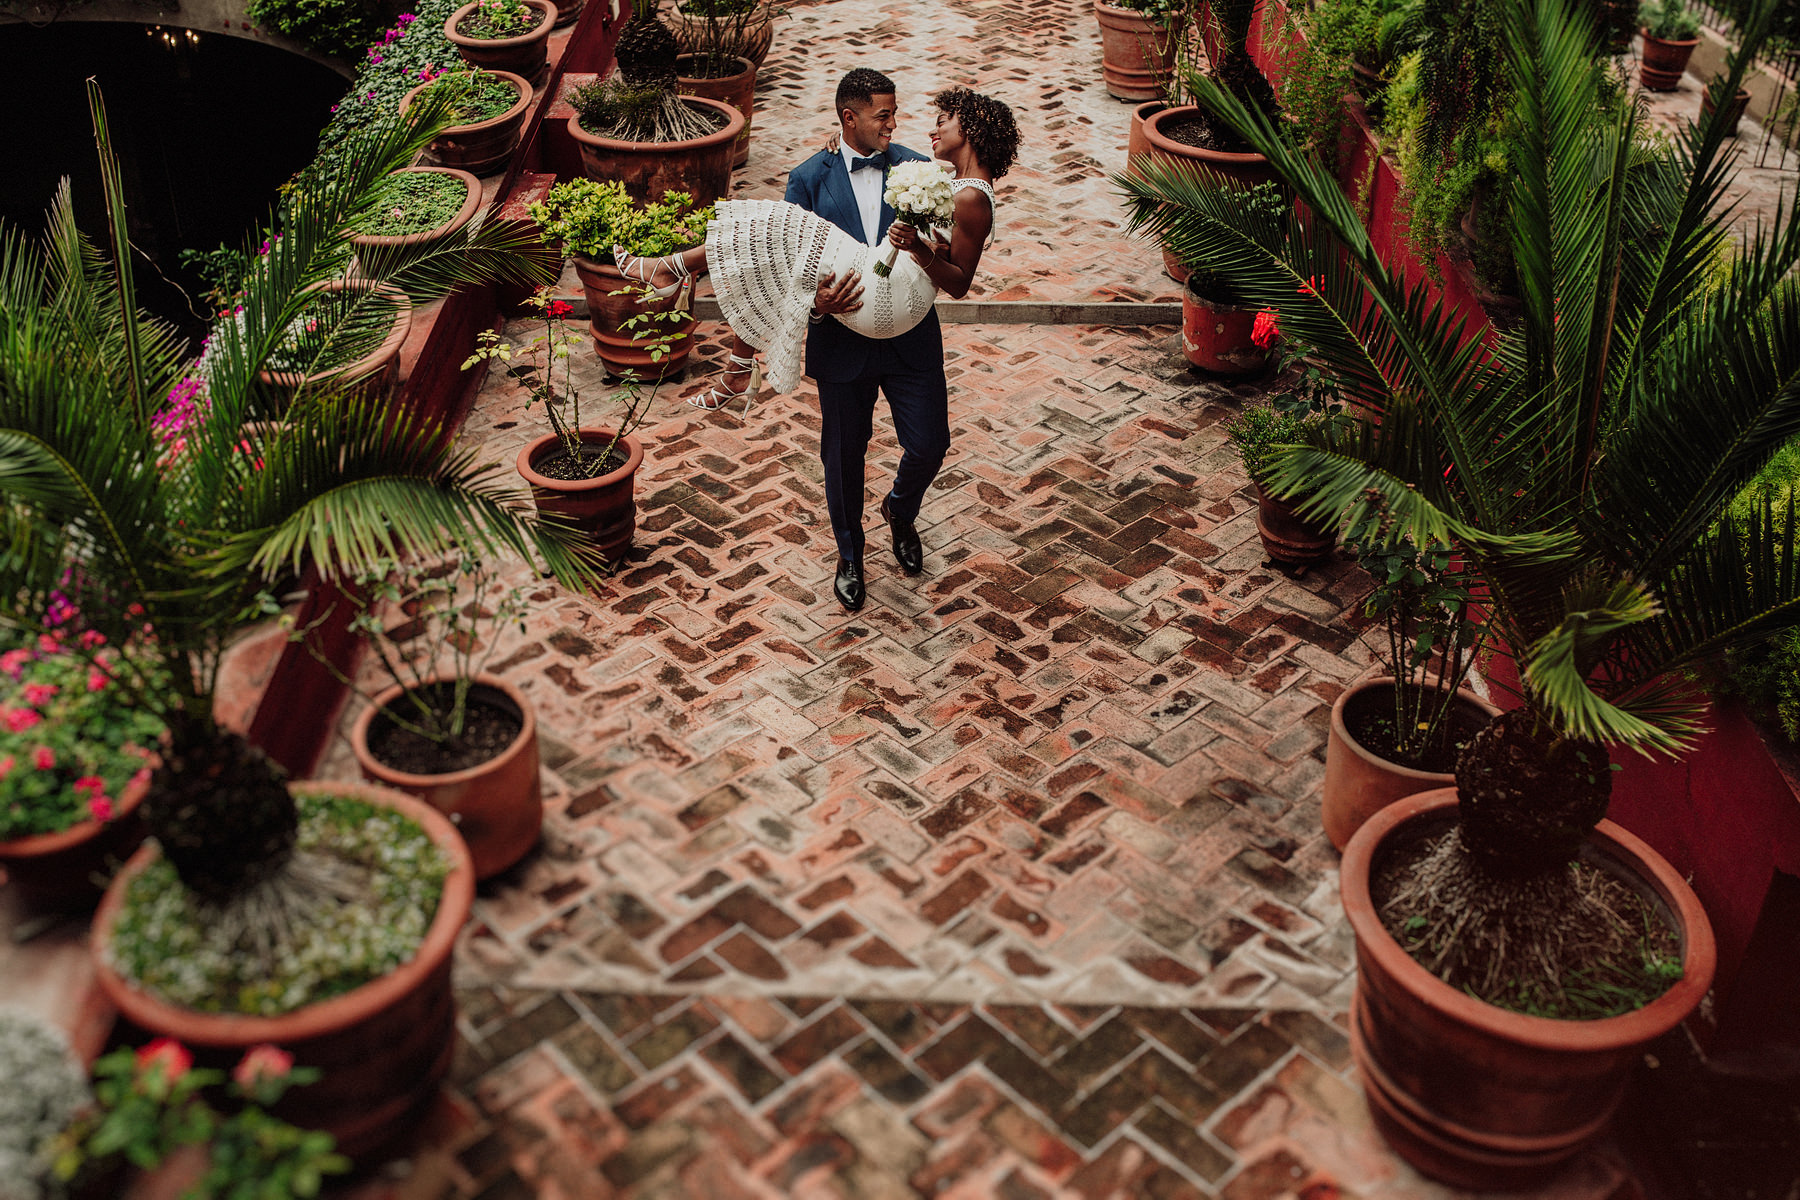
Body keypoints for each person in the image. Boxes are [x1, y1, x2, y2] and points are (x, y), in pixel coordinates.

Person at [612, 75, 1020, 612]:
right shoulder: (810, 176)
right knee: (842, 456)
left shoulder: (921, 169)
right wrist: (817, 305)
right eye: (883, 115)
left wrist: (920, 248)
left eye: (895, 114)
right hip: (842, 338)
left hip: (909, 340)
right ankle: (850, 555)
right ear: (849, 119)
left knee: (930, 445)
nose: (895, 124)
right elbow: (785, 272)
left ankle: (900, 510)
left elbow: (956, 242)